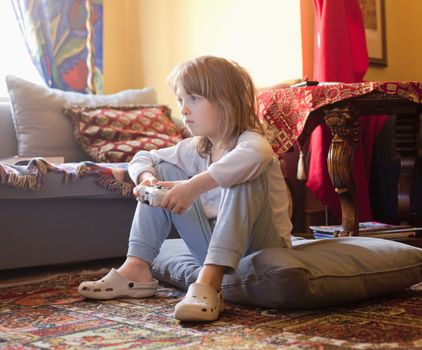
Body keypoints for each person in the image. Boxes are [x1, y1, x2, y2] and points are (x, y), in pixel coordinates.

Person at [78, 56, 292, 322]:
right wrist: (146, 179)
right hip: (214, 247)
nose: (184, 109)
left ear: (225, 101)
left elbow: (257, 155)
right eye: (180, 100)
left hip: (262, 245)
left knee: (244, 174)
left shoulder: (250, 143)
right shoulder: (197, 147)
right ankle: (136, 269)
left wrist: (192, 187)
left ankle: (209, 283)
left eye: (194, 98)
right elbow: (144, 157)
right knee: (162, 171)